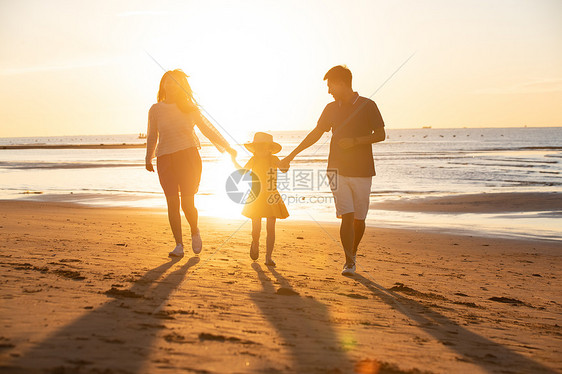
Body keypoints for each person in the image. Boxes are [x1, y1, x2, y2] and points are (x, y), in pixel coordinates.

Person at [279, 65, 385, 276]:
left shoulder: (367, 105)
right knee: (347, 215)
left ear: (342, 83)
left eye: (330, 86)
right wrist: (291, 156)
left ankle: (353, 252)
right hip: (336, 169)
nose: (328, 91)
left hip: (363, 170)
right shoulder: (330, 109)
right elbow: (316, 133)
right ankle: (349, 261)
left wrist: (355, 141)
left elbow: (380, 134)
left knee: (359, 219)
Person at [145, 69, 237, 258]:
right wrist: (148, 157)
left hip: (188, 158)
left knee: (187, 203)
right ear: (163, 85)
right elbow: (152, 135)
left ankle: (194, 230)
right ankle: (178, 244)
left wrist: (227, 147)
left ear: (181, 86)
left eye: (175, 82)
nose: (170, 85)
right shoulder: (155, 109)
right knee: (172, 203)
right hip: (165, 158)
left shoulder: (190, 108)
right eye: (167, 81)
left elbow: (207, 129)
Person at [237, 132, 289, 266]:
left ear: (269, 148)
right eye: (258, 147)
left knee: (271, 228)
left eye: (263, 147)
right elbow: (242, 171)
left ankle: (268, 257)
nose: (260, 150)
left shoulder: (273, 159)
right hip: (256, 194)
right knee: (256, 228)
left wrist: (286, 165)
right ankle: (255, 242)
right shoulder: (253, 159)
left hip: (271, 195)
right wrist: (233, 160)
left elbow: (283, 169)